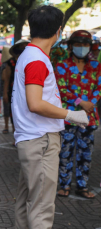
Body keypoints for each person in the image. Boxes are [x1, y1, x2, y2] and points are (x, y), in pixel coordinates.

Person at [12, 6, 88, 229]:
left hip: (31, 139)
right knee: (42, 206)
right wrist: (70, 114)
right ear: (58, 31)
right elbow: (35, 103)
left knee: (28, 203)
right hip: (40, 140)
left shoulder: (28, 54)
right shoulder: (36, 60)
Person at [55, 30, 101, 199]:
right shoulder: (62, 65)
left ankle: (83, 186)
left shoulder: (96, 66)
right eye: (78, 44)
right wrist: (80, 102)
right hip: (69, 115)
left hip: (89, 116)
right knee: (65, 151)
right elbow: (61, 88)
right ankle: (64, 185)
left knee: (85, 153)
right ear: (71, 45)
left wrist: (91, 102)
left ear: (90, 46)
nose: (82, 48)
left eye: (85, 45)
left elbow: (99, 87)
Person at [2, 39, 29, 134]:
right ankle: (15, 133)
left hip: (27, 91)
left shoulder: (30, 61)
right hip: (13, 92)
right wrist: (5, 93)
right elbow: (7, 79)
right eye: (21, 46)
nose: (23, 48)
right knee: (14, 113)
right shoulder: (11, 63)